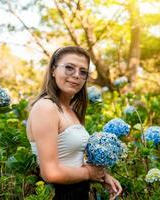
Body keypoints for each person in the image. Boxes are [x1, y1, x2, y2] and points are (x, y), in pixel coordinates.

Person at [26, 46, 122, 200]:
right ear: (53, 70)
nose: (76, 75)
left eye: (83, 72)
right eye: (69, 68)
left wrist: (102, 176)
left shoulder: (69, 109)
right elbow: (50, 173)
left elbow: (71, 158)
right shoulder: (46, 108)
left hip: (78, 191)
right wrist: (89, 173)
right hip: (59, 195)